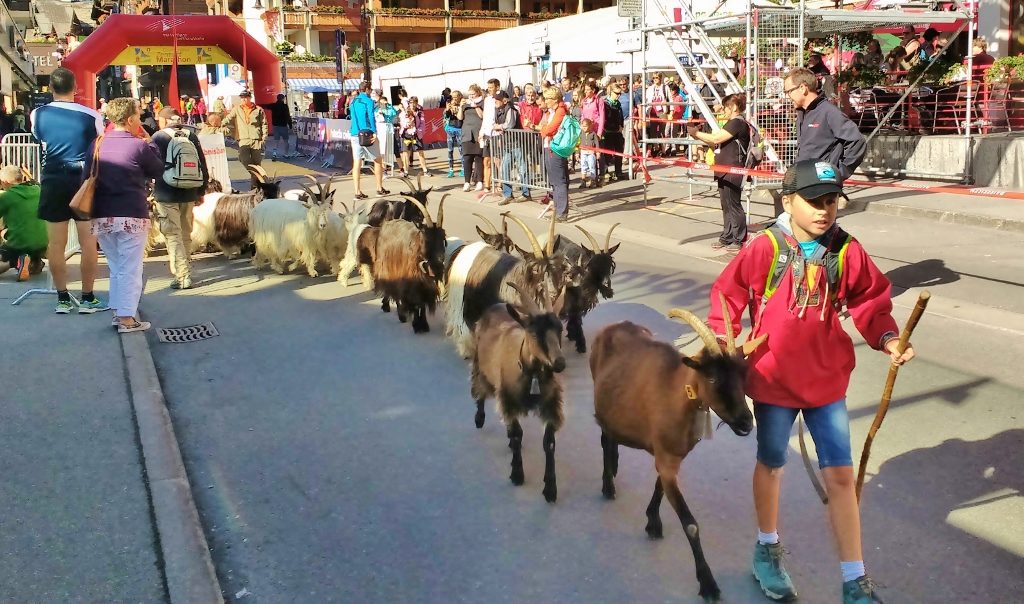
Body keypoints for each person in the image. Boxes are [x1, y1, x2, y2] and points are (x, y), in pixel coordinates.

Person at [709, 159, 914, 604]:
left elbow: (870, 301)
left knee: (840, 476)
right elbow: (728, 295)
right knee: (771, 464)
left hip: (826, 382)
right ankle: (766, 550)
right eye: (814, 201)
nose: (824, 210)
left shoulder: (846, 250)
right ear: (788, 201)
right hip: (773, 380)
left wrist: (888, 338)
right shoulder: (765, 247)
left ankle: (855, 581)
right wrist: (722, 342)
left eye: (831, 201)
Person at [31, 66, 107, 314]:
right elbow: (99, 143)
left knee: (56, 243)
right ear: (75, 88)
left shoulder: (37, 114)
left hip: (53, 179)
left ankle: (62, 298)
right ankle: (87, 298)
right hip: (83, 181)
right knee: (88, 241)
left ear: (51, 88)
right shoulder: (92, 115)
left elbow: (38, 137)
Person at [88, 98, 164, 333]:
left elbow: (86, 176)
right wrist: (151, 143)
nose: (140, 120)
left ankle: (118, 311)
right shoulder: (138, 145)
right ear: (130, 119)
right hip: (131, 212)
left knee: (116, 266)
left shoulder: (97, 144)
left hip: (102, 213)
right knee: (130, 268)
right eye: (138, 116)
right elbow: (157, 169)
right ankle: (126, 318)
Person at [152, 107, 209, 290]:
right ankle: (186, 270)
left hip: (166, 192)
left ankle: (182, 276)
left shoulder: (159, 137)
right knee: (185, 233)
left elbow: (151, 166)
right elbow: (202, 164)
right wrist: (201, 191)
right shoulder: (191, 135)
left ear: (164, 120)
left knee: (172, 234)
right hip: (189, 191)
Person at [688, 93, 750, 252]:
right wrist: (699, 136)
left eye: (726, 107)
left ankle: (738, 238)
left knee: (733, 204)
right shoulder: (731, 123)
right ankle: (727, 236)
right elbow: (715, 141)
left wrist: (696, 133)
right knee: (726, 204)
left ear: (734, 107)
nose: (723, 110)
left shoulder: (737, 123)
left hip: (733, 169)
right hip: (723, 169)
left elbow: (716, 139)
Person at [785, 67, 866, 181]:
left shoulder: (829, 112)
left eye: (789, 91)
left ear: (802, 88)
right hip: (804, 180)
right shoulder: (802, 114)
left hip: (823, 185)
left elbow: (857, 141)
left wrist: (838, 173)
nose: (787, 96)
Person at [0, 165, 47, 281]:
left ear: (5, 181)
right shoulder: (38, 190)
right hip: (43, 243)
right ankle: (34, 261)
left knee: (7, 251)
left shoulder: (7, 196)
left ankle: (15, 261)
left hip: (19, 244)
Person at [348, 81, 388, 200]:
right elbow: (371, 116)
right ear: (366, 89)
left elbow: (352, 117)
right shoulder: (368, 101)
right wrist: (374, 131)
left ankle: (357, 191)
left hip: (355, 133)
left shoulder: (352, 102)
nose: (371, 92)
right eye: (370, 89)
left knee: (357, 162)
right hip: (367, 132)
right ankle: (379, 188)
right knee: (377, 160)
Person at [535, 87, 570, 222]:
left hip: (555, 149)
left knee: (559, 181)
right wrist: (544, 129)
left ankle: (562, 213)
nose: (546, 101)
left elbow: (550, 129)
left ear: (554, 99)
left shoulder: (560, 111)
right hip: (549, 146)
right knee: (555, 182)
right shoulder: (554, 111)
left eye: (548, 99)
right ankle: (557, 209)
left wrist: (543, 129)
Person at [223, 90, 267, 190]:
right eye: (242, 98)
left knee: (257, 163)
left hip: (256, 139)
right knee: (243, 158)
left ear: (250, 98)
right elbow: (228, 118)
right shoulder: (237, 109)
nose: (243, 99)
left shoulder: (258, 109)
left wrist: (264, 138)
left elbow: (264, 124)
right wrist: (217, 124)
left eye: (245, 98)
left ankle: (255, 186)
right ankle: (258, 178)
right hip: (243, 139)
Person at [493, 91, 529, 205]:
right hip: (507, 144)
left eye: (498, 100)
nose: (495, 101)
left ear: (504, 101)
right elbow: (495, 124)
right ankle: (508, 195)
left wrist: (499, 127)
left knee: (522, 168)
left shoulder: (511, 109)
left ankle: (526, 194)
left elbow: (510, 124)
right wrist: (499, 131)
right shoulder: (498, 110)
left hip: (517, 143)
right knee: (505, 169)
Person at [459, 85, 485, 192]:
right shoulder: (465, 104)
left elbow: (482, 116)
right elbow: (460, 117)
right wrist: (460, 107)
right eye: (469, 94)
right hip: (467, 133)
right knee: (467, 158)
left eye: (473, 94)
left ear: (478, 93)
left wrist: (476, 106)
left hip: (478, 132)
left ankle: (479, 181)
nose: (471, 96)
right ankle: (467, 182)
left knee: (479, 158)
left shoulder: (482, 103)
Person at [599, 81, 626, 183]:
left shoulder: (618, 103)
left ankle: (618, 171)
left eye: (620, 94)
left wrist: (621, 125)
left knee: (619, 151)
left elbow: (620, 116)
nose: (618, 96)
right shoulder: (605, 103)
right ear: (610, 92)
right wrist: (605, 128)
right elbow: (604, 117)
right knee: (607, 153)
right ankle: (605, 172)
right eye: (617, 93)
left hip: (617, 131)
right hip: (607, 131)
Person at [479, 78, 501, 192]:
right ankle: (487, 185)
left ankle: (500, 184)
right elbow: (485, 117)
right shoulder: (487, 100)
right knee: (486, 160)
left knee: (498, 161)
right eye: (488, 88)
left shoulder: (501, 99)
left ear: (497, 87)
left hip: (497, 134)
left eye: (491, 87)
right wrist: (481, 131)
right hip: (487, 133)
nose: (489, 89)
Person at [400, 96, 430, 177]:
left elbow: (423, 124)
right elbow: (402, 122)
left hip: (416, 134)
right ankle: (406, 171)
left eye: (414, 103)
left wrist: (417, 130)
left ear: (417, 103)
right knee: (406, 152)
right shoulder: (405, 112)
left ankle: (425, 170)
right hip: (406, 134)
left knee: (420, 152)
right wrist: (407, 125)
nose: (412, 104)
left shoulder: (419, 113)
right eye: (411, 103)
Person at [261, 93, 293, 160]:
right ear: (283, 99)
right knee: (286, 141)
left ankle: (274, 153)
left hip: (275, 126)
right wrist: (290, 125)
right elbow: (288, 116)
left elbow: (265, 106)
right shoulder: (285, 106)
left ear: (277, 98)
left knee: (276, 140)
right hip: (283, 126)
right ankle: (286, 154)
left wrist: (258, 104)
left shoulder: (273, 105)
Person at [443, 90, 464, 178]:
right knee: (450, 150)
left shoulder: (462, 105)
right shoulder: (449, 105)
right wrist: (448, 109)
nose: (454, 99)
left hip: (459, 129)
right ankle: (451, 169)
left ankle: (463, 169)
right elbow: (446, 116)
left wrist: (460, 107)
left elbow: (461, 118)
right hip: (450, 129)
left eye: (456, 97)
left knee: (461, 150)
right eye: (453, 97)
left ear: (459, 97)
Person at [578, 118, 599, 190]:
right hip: (583, 152)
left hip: (591, 153)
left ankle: (593, 181)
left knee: (591, 166)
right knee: (583, 166)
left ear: (590, 126)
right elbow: (578, 143)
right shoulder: (581, 133)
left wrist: (598, 152)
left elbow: (597, 143)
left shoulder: (593, 134)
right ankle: (583, 181)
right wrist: (577, 153)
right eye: (583, 126)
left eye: (585, 126)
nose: (584, 128)